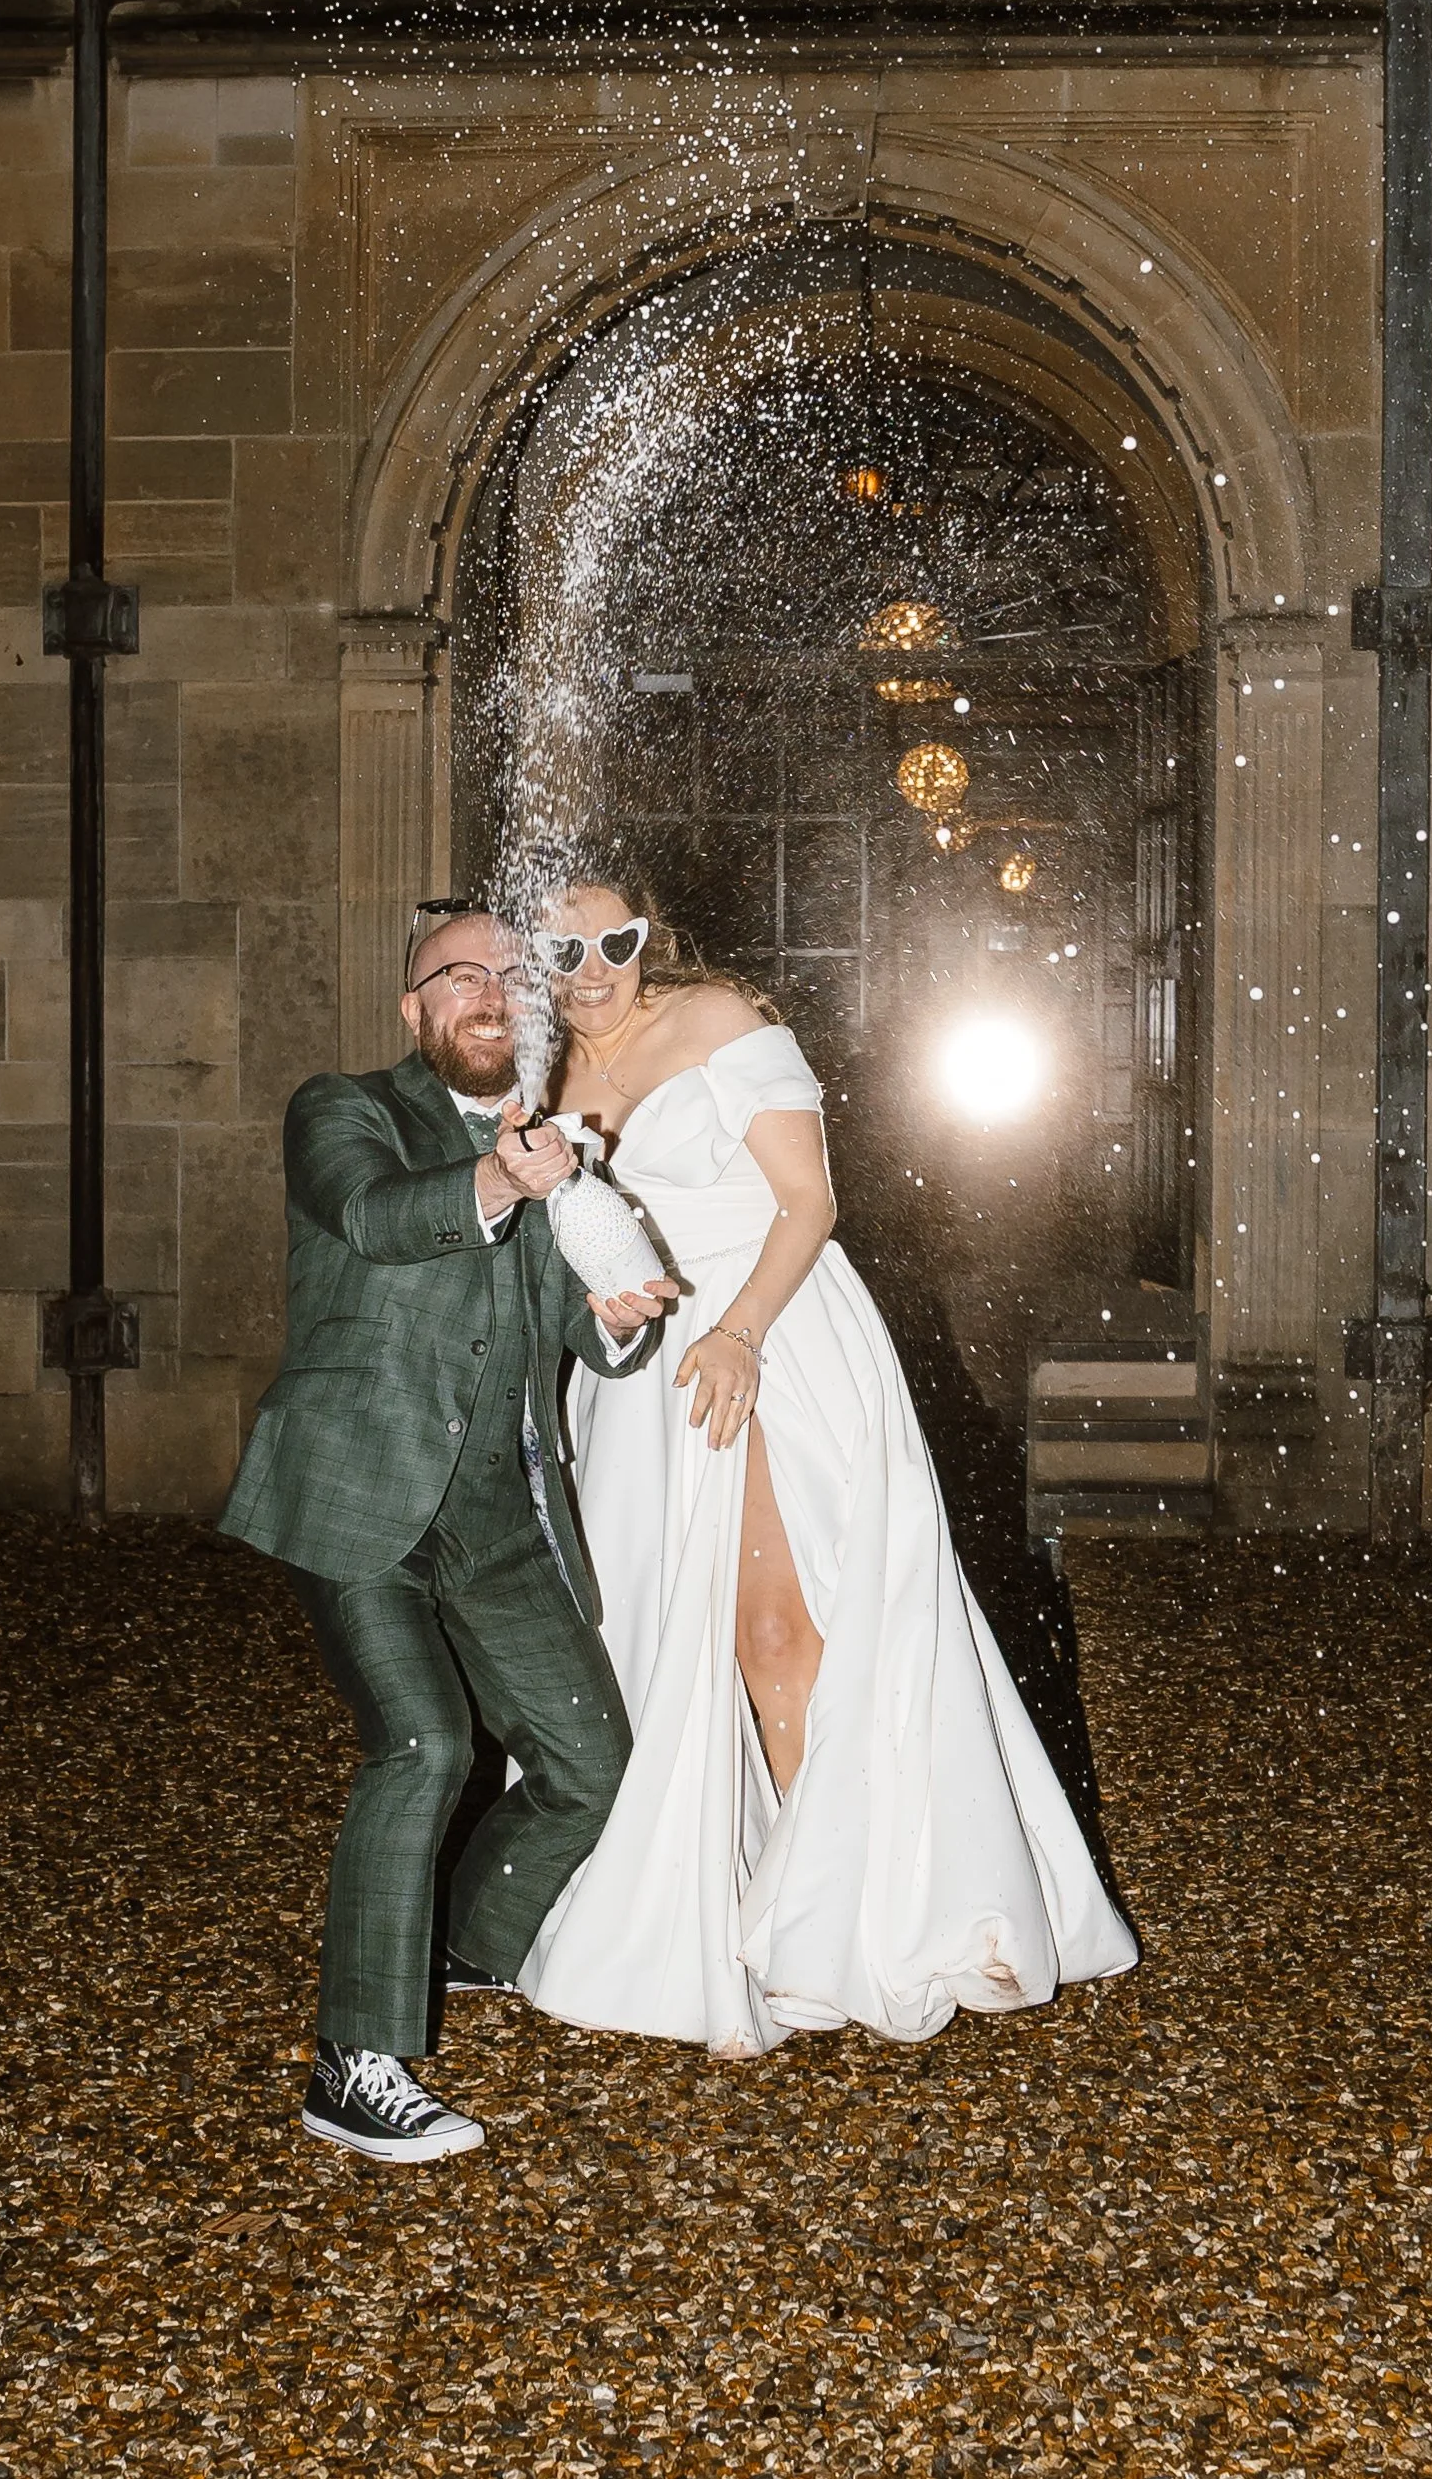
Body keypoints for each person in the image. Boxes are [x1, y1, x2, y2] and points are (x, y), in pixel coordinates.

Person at [516, 882, 1138, 2057]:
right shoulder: (539, 1074)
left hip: (770, 1335)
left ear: (651, 937)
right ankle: (702, 1906)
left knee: (781, 1636)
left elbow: (810, 1203)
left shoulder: (718, 1025)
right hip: (637, 1370)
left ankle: (831, 1924)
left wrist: (740, 1333)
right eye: (563, 947)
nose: (593, 966)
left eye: (616, 941)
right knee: (651, 1641)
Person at [219, 903, 673, 2162]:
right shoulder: (344, 1110)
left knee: (588, 1764)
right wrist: (499, 1177)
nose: (490, 992)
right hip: (357, 1491)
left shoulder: (555, 1152)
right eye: (456, 977)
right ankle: (352, 2064)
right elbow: (370, 1218)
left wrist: (624, 1316)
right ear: (414, 1011)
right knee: (421, 1744)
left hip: (501, 1512)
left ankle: (461, 1949)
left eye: (512, 976)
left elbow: (582, 1333)